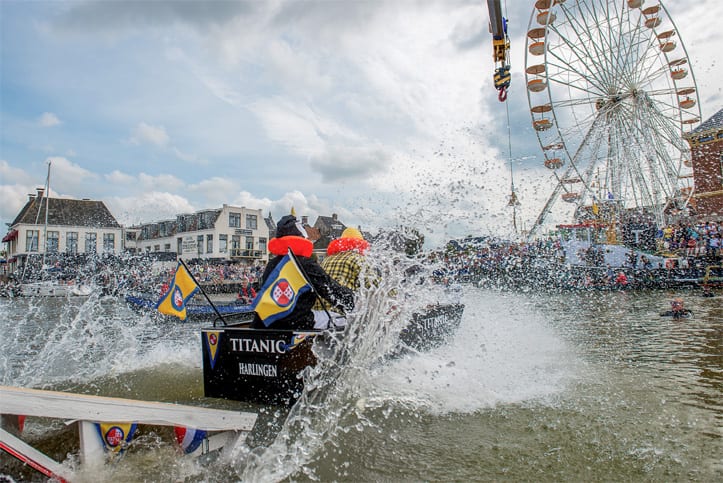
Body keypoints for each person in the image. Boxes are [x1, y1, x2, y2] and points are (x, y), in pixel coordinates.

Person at [250, 215, 354, 330]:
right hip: (295, 324)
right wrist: (355, 304)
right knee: (346, 320)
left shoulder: (272, 264)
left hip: (264, 323)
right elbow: (331, 291)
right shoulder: (305, 264)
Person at [312, 227, 373, 326]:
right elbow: (375, 285)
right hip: (338, 315)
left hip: (318, 315)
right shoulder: (358, 259)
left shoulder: (327, 259)